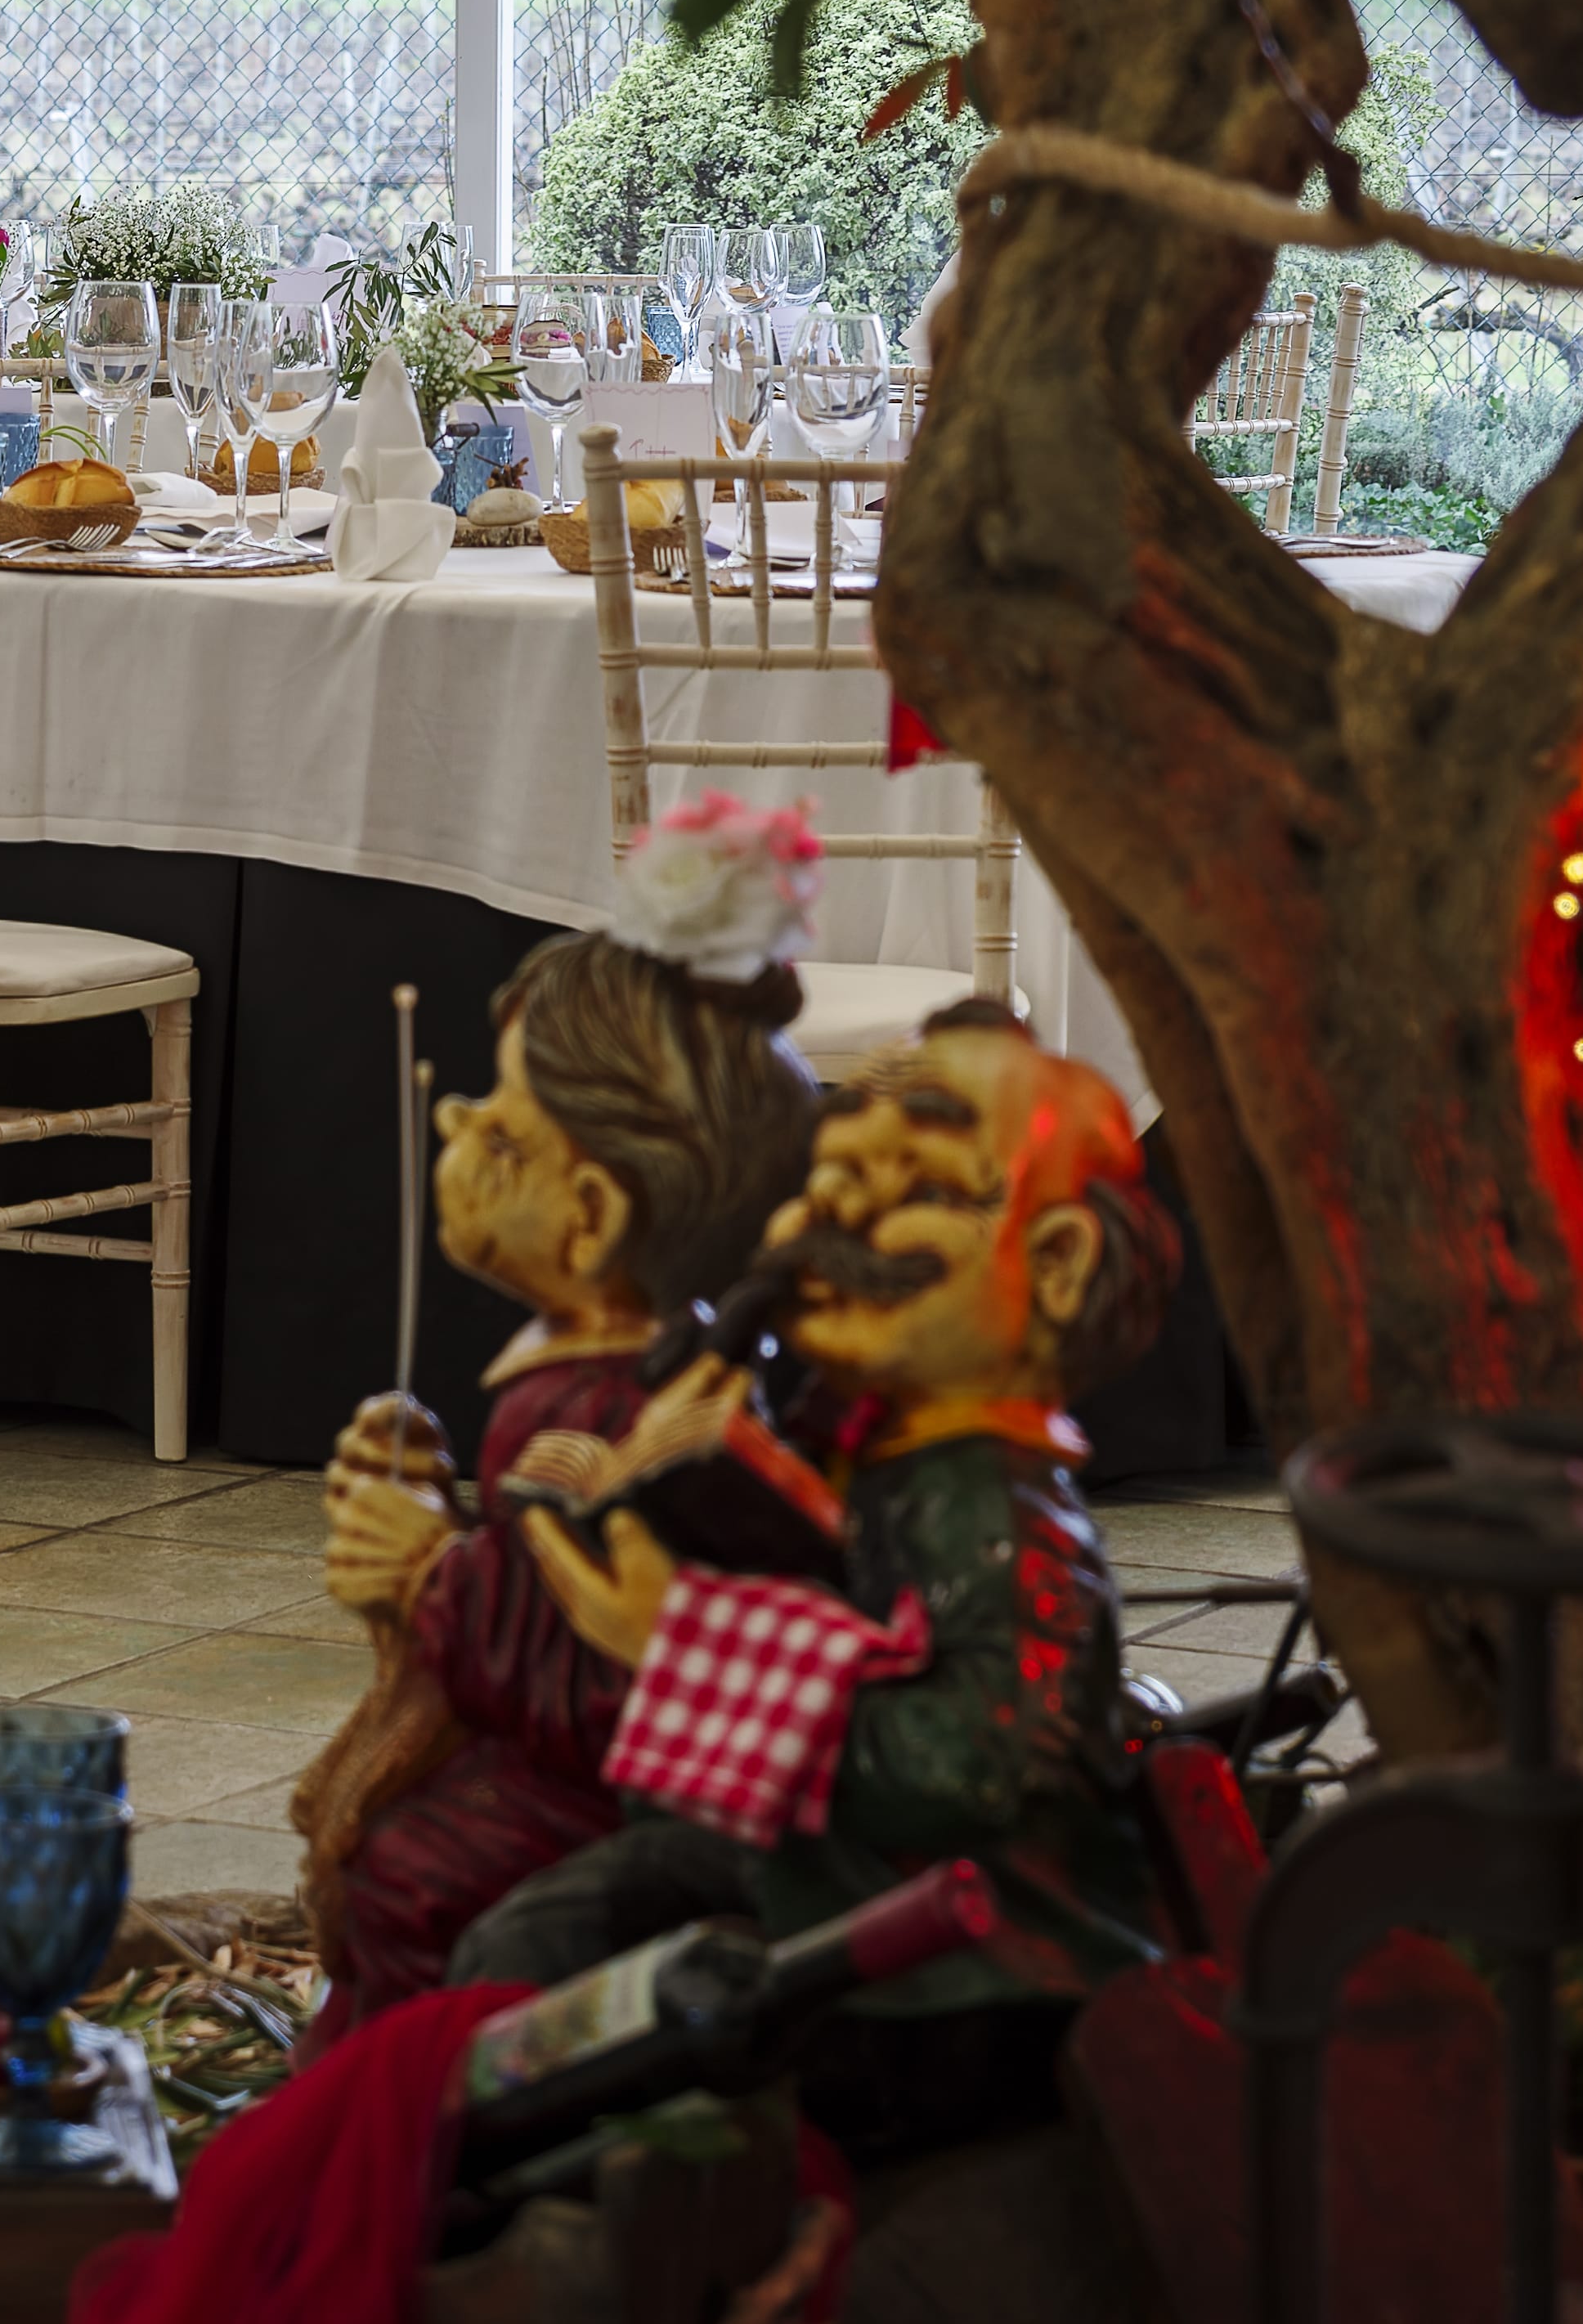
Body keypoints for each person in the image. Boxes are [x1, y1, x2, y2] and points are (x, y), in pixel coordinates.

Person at [473, 1009, 1182, 2165]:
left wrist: (684, 1651)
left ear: (1054, 1264)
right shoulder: (862, 1445)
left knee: (591, 2009)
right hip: (835, 1881)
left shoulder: (997, 1516)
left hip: (951, 1978)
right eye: (837, 1173)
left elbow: (982, 1760)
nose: (839, 1217)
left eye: (919, 1184)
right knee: (539, 1923)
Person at [289, 795, 827, 2045]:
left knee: (409, 1875)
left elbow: (585, 1671)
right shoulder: (583, 1377)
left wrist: (429, 1573)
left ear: (588, 1220)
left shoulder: (603, 1416)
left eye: (499, 1125)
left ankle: (428, 2104)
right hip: (573, 1763)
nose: (453, 1124)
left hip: (616, 1799)